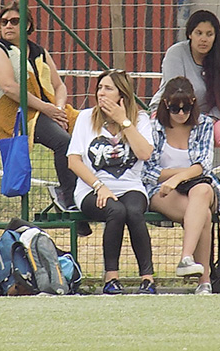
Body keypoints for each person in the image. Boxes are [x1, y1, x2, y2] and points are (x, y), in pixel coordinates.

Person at [0, 0, 80, 212]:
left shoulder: (39, 52)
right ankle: (69, 199)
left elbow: (59, 86)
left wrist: (60, 110)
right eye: (4, 21)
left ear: (27, 25)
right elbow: (10, 88)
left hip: (48, 111)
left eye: (14, 21)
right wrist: (48, 110)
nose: (7, 25)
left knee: (89, 127)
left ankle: (93, 193)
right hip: (18, 116)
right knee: (64, 142)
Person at [67, 70, 156, 295]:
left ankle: (147, 279)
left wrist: (123, 121)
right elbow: (74, 162)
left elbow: (145, 153)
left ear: (122, 94)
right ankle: (111, 278)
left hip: (131, 186)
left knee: (134, 212)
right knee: (115, 211)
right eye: (99, 88)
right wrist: (99, 186)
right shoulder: (86, 118)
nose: (101, 93)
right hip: (91, 188)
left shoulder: (141, 119)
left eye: (108, 89)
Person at [149, 10, 220, 212]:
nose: (204, 39)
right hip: (172, 111)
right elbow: (176, 91)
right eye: (198, 33)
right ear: (189, 34)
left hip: (209, 117)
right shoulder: (176, 53)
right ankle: (156, 187)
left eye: (209, 34)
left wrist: (206, 123)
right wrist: (193, 119)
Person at [142, 77, 220, 295]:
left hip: (197, 186)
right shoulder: (153, 127)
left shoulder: (205, 124)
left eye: (186, 108)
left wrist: (175, 179)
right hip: (161, 189)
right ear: (165, 104)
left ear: (193, 103)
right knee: (203, 216)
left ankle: (186, 257)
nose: (181, 114)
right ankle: (204, 281)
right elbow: (149, 171)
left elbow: (204, 166)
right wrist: (176, 177)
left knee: (204, 190)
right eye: (174, 109)